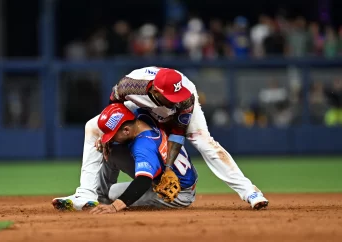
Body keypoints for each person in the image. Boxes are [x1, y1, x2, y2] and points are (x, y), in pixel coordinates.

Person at [52, 66, 268, 211]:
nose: (175, 101)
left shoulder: (184, 97)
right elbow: (114, 106)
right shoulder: (130, 85)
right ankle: (86, 194)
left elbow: (177, 133)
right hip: (141, 103)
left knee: (204, 142)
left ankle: (250, 192)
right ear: (155, 90)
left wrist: (166, 169)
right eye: (170, 98)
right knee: (93, 127)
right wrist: (109, 135)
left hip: (170, 110)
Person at [53, 103, 197, 212]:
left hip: (179, 193)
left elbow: (143, 181)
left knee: (115, 193)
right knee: (111, 150)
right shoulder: (143, 116)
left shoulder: (143, 146)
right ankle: (98, 198)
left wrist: (115, 207)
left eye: (113, 134)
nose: (110, 137)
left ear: (127, 130)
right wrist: (110, 139)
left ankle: (108, 201)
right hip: (168, 173)